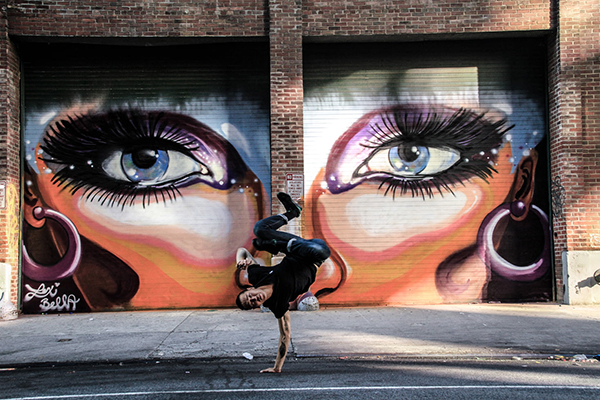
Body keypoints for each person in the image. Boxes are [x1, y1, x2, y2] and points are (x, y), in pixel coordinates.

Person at [235, 192, 330, 373]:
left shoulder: (257, 276)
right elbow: (285, 335)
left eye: (249, 296)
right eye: (253, 303)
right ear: (259, 305)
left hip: (296, 248)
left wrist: (240, 261)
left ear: (250, 289)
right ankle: (271, 245)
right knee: (261, 242)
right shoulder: (277, 304)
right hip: (316, 254)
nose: (254, 298)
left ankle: (292, 212)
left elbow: (241, 251)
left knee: (259, 230)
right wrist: (277, 367)